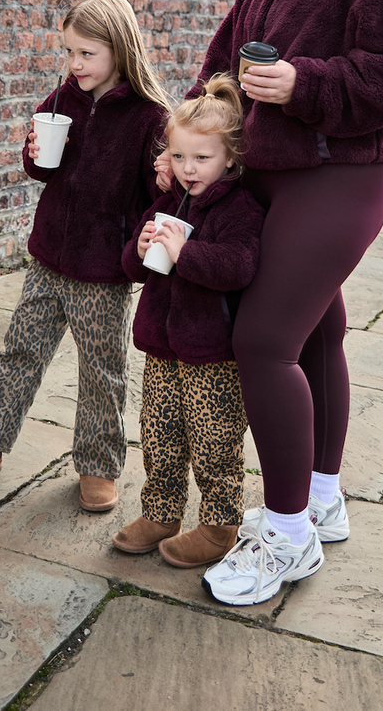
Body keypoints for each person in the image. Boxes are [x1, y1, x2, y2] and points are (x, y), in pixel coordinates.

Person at [181, 0, 383, 606]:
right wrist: (196, 127)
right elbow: (221, 61)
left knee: (262, 340)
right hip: (270, 171)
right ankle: (322, 497)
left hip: (342, 175)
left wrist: (304, 85)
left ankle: (288, 534)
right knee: (317, 328)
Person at [0, 0, 170, 513]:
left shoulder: (150, 118)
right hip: (49, 256)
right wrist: (35, 154)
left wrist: (156, 201)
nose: (75, 64)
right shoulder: (61, 100)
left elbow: (158, 196)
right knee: (18, 351)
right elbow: (43, 171)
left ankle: (98, 467)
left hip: (103, 270)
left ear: (119, 49)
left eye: (86, 53)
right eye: (69, 52)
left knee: (102, 371)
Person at [112, 74, 266, 568]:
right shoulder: (168, 200)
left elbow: (239, 266)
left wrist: (188, 252)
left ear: (230, 158)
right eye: (178, 156)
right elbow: (135, 268)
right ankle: (160, 512)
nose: (188, 168)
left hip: (212, 354)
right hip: (162, 344)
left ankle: (220, 523)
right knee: (158, 433)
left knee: (214, 442)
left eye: (201, 158)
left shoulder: (240, 208)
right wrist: (138, 250)